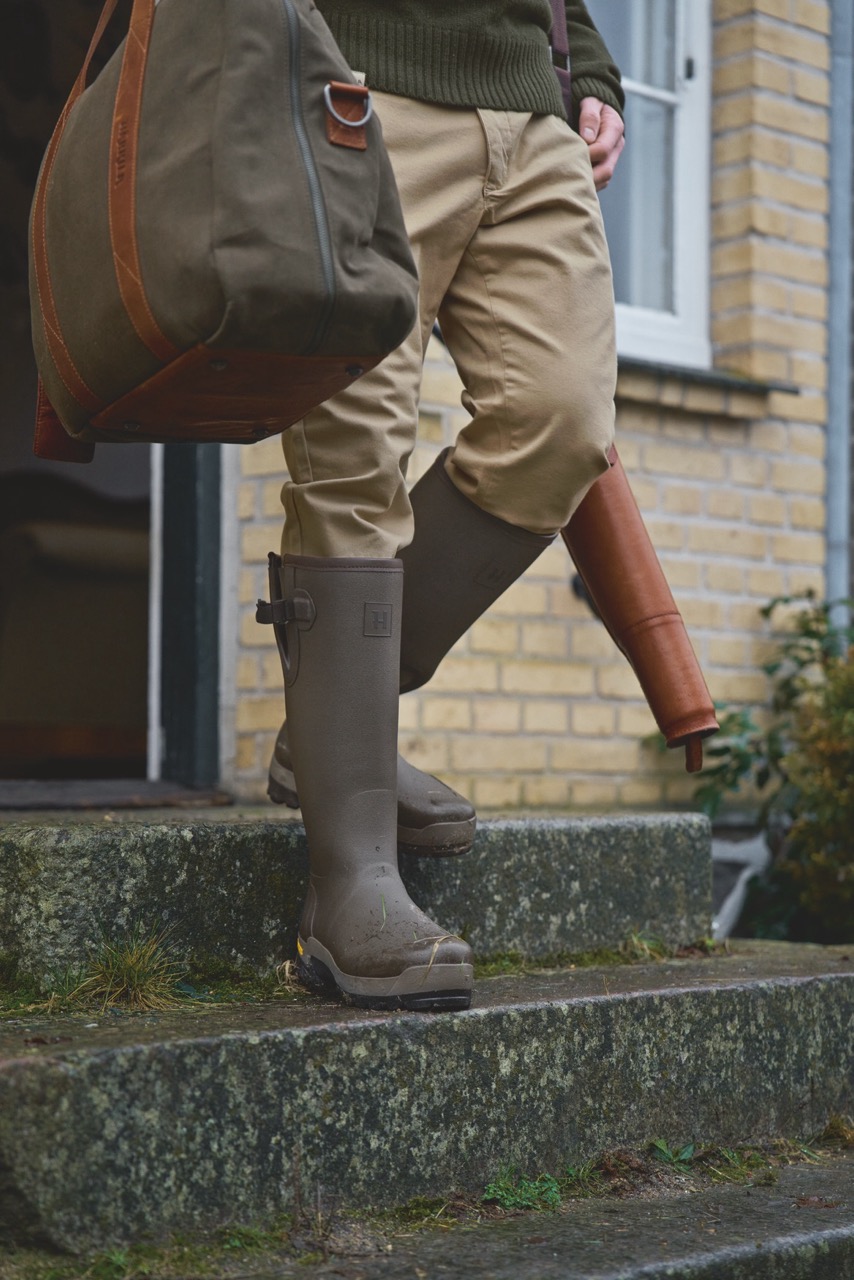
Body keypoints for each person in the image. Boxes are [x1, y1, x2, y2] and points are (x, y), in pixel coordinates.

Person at [259, 0, 625, 1013]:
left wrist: (590, 72)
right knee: (353, 463)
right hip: (356, 85)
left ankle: (331, 735)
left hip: (529, 111)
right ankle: (348, 887)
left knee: (561, 425)